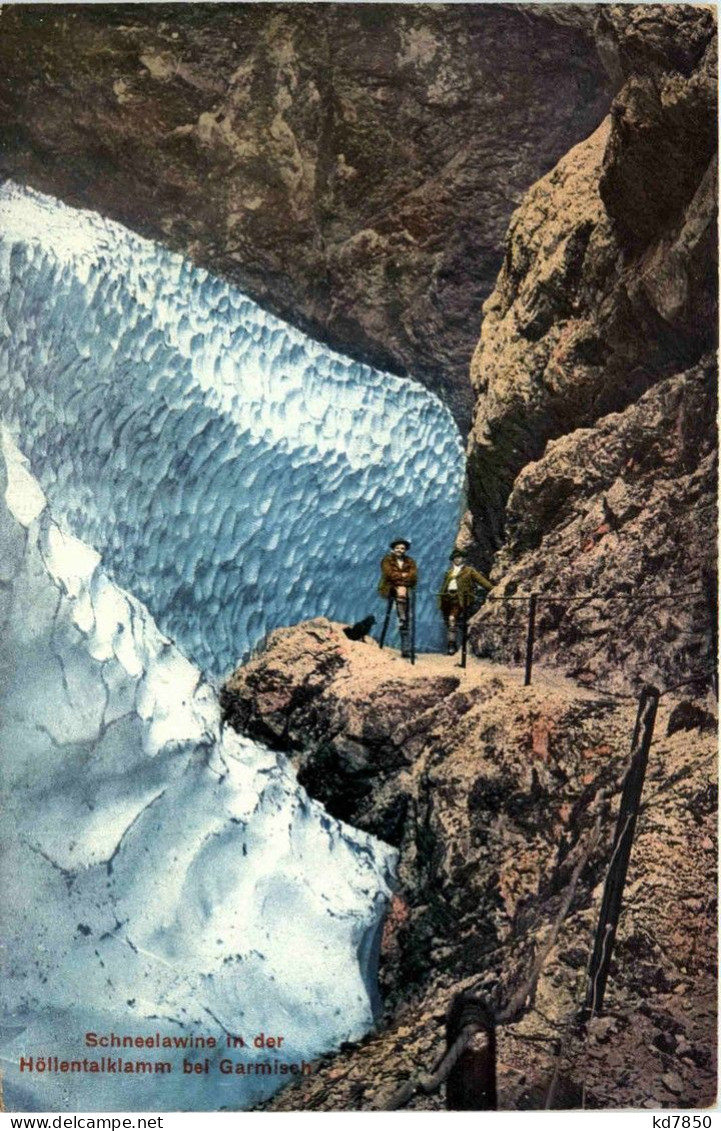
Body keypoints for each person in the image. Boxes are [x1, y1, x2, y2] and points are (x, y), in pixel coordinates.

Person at [438, 548, 492, 655]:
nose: (458, 559)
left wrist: (493, 589)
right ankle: (452, 644)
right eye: (456, 558)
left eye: (460, 557)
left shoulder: (469, 571)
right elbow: (444, 586)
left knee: (452, 619)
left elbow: (481, 581)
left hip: (459, 599)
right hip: (447, 599)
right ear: (452, 560)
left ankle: (452, 647)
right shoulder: (449, 573)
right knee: (449, 623)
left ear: (463, 559)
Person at [378, 538, 418, 657]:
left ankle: (405, 644)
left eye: (402, 548)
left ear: (405, 550)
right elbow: (389, 574)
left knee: (403, 593)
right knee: (401, 592)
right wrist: (403, 578)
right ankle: (402, 618)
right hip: (390, 588)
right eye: (397, 548)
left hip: (405, 589)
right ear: (393, 549)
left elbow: (413, 576)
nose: (400, 550)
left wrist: (403, 581)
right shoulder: (387, 560)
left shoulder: (409, 561)